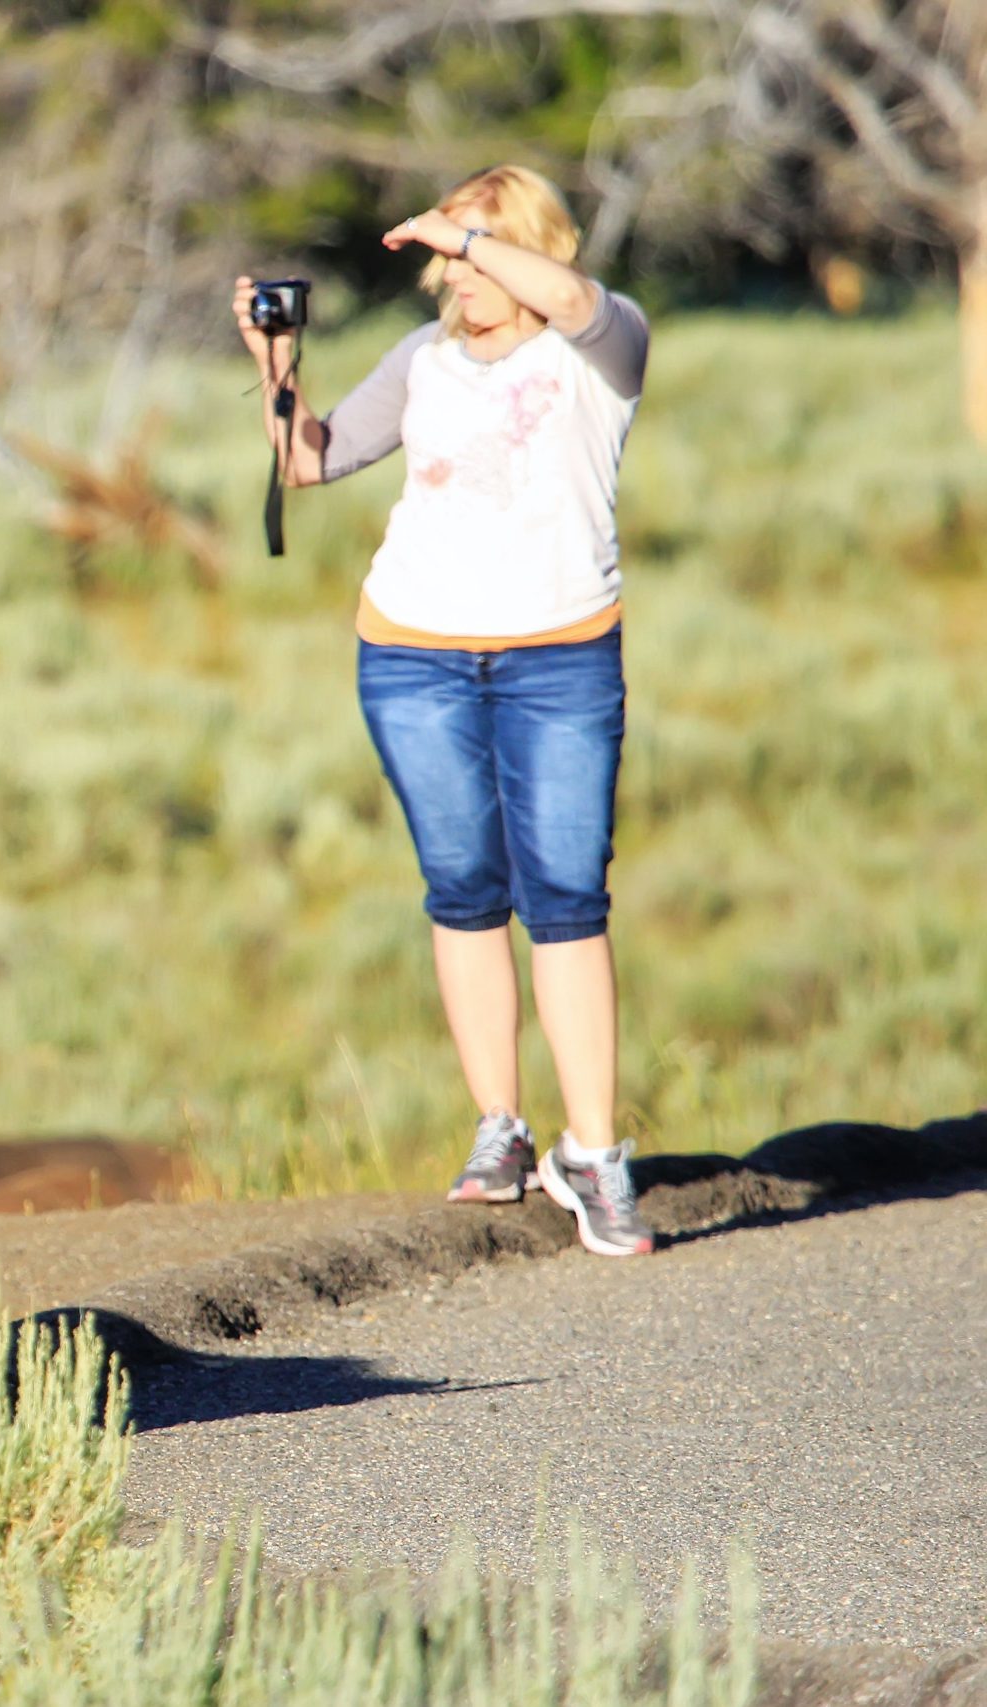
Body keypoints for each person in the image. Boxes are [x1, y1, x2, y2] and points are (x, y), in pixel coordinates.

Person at [233, 164, 655, 1257]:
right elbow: (308, 460)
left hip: (558, 660)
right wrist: (272, 361)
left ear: (527, 248)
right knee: (463, 887)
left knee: (566, 897)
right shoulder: (421, 362)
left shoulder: (599, 346)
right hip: (411, 654)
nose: (451, 269)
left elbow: (565, 299)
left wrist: (462, 237)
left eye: (476, 247)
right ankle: (500, 1131)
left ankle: (596, 1154)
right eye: (446, 251)